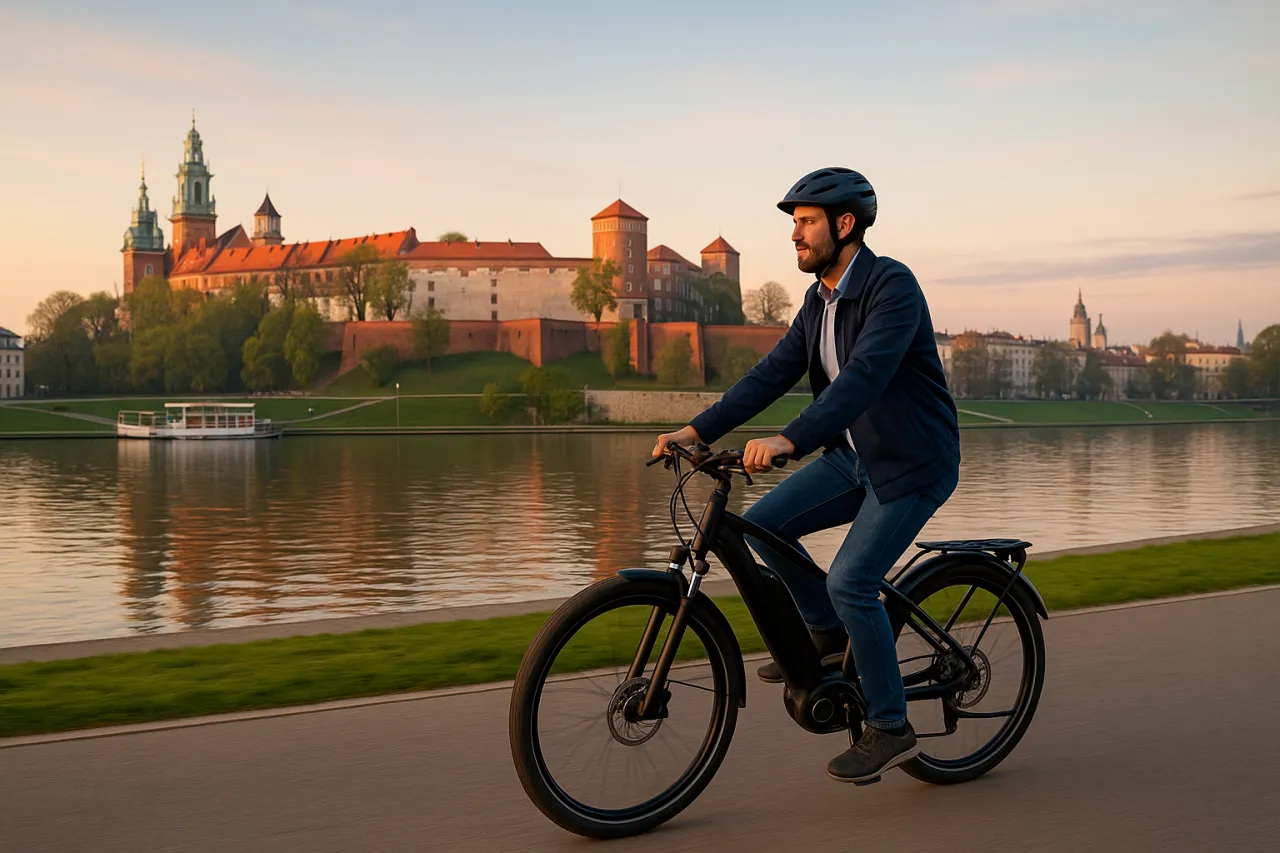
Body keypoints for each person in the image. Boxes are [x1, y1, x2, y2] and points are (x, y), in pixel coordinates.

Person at [651, 167, 961, 784]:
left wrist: (790, 438)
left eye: (806, 223)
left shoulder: (891, 287)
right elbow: (769, 375)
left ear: (845, 225)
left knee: (852, 580)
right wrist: (695, 431)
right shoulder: (818, 302)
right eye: (793, 224)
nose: (795, 235)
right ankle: (822, 633)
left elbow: (862, 381)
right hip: (852, 457)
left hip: (910, 462)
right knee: (761, 526)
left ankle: (891, 725)